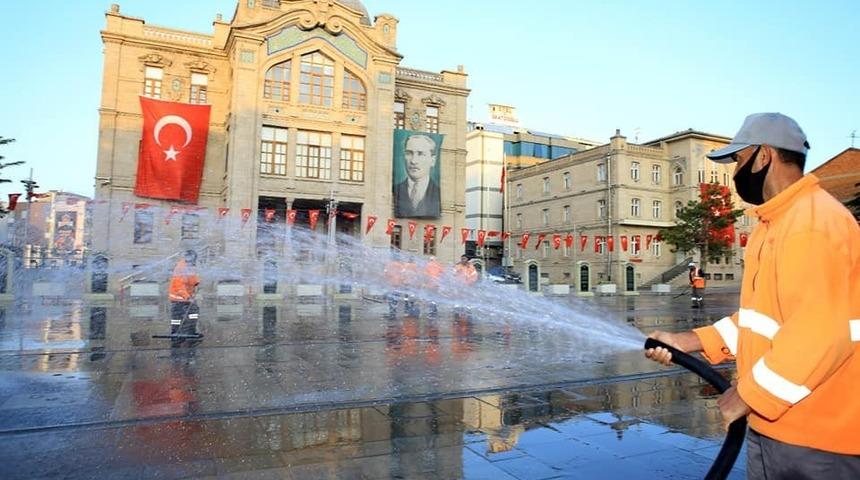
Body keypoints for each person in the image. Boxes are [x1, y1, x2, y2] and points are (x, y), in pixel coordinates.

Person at [645, 113, 860, 479]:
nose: (735, 172)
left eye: (739, 160)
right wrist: (687, 341)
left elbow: (822, 332)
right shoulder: (772, 225)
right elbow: (761, 320)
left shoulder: (814, 225)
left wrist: (750, 394)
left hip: (818, 435)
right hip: (776, 425)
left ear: (763, 156)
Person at [394, 134, 441, 218]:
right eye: (409, 153)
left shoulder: (439, 193)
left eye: (420, 154)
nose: (413, 161)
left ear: (433, 160)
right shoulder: (394, 190)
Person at [168, 250, 200, 337]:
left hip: (187, 297)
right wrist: (188, 297)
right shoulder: (180, 268)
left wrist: (196, 282)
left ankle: (191, 331)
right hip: (178, 298)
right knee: (177, 317)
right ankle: (175, 332)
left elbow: (192, 278)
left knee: (193, 313)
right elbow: (179, 286)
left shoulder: (190, 266)